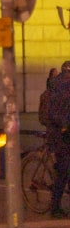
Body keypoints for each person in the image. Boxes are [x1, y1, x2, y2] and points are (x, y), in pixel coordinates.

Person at [47, 60, 70, 218]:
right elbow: (55, 114)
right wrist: (64, 126)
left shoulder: (61, 85)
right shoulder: (58, 88)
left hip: (65, 132)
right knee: (63, 171)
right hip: (60, 135)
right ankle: (54, 208)